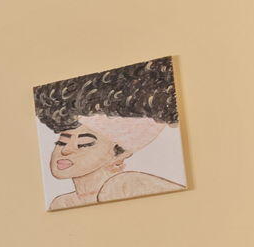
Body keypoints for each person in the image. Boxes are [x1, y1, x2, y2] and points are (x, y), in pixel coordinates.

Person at [35, 58, 186, 210]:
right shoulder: (61, 203)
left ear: (118, 155)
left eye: (84, 144)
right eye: (61, 142)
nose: (66, 150)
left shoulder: (124, 185)